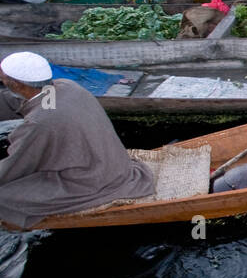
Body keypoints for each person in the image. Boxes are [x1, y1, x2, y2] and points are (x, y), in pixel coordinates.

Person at [0, 51, 155, 229]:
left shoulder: (39, 124)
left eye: (3, 78)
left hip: (89, 182)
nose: (2, 80)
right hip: (112, 165)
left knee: (4, 197)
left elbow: (16, 166)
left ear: (17, 84)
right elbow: (32, 104)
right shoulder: (66, 86)